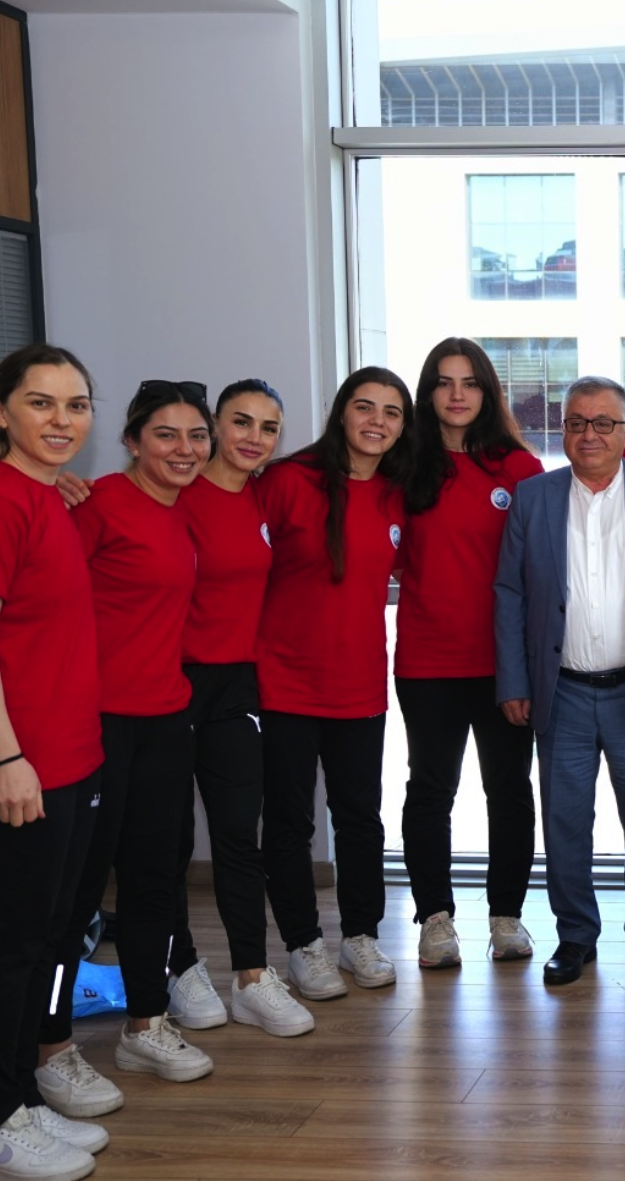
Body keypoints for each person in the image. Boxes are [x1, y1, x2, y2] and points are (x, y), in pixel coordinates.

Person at [0, 344, 109, 1178]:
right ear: (1, 410)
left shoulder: (44, 496)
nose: (62, 420)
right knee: (6, 951)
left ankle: (21, 1098)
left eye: (76, 405)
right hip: (10, 773)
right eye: (41, 403)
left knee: (46, 942)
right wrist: (4, 757)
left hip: (69, 763)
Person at [35, 381, 216, 1120]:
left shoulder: (182, 510)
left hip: (165, 719)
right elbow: (35, 594)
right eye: (166, 435)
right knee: (77, 894)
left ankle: (146, 1024)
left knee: (155, 882)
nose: (185, 449)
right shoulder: (97, 504)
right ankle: (50, 1047)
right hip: (96, 722)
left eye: (196, 436)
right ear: (133, 441)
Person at [494, 378, 625, 987]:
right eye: (577, 422)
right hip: (559, 691)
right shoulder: (533, 498)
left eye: (604, 422)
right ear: (564, 430)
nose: (590, 434)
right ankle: (575, 936)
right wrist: (514, 679)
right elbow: (509, 593)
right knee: (564, 822)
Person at [163, 379, 316, 1041]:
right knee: (167, 842)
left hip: (237, 688)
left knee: (236, 835)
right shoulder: (175, 490)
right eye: (241, 422)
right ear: (214, 425)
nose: (255, 437)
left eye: (269, 427)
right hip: (169, 683)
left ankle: (252, 976)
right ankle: (180, 967)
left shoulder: (262, 495)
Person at [257, 367, 414, 1000]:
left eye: (392, 412)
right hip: (284, 682)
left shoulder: (399, 492)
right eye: (365, 407)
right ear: (341, 411)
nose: (377, 421)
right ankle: (303, 945)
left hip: (359, 684)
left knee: (359, 820)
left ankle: (360, 935)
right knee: (290, 824)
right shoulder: (287, 481)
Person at [396, 339, 545, 969]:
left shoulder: (520, 468)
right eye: (444, 382)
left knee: (508, 788)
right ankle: (435, 919)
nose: (457, 395)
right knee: (431, 789)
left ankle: (507, 915)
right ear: (427, 392)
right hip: (427, 659)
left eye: (470, 382)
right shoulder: (403, 466)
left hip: (505, 662)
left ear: (488, 391)